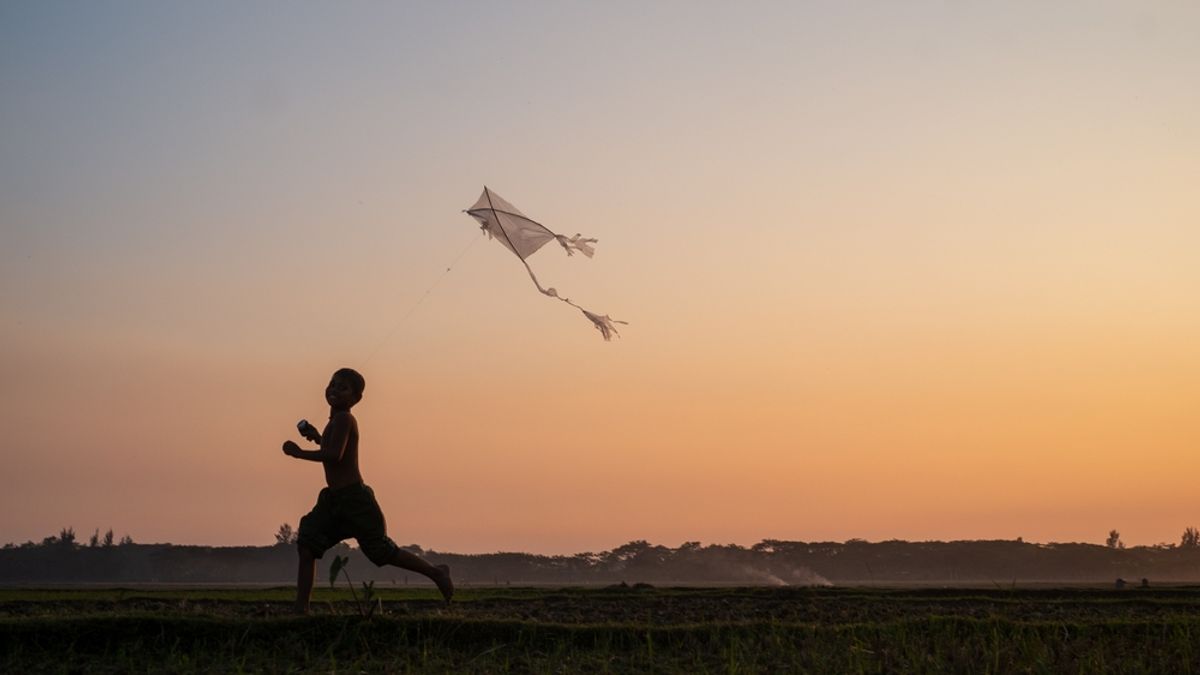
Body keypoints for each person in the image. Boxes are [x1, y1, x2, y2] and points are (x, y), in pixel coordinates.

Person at [283, 368, 453, 612]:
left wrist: (299, 453)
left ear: (356, 399)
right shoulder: (336, 421)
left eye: (342, 387)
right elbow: (333, 449)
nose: (334, 390)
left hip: (355, 501)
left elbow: (334, 455)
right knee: (307, 544)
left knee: (381, 551)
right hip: (335, 501)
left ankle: (436, 572)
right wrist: (317, 437)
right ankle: (301, 609)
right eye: (332, 384)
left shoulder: (344, 419)